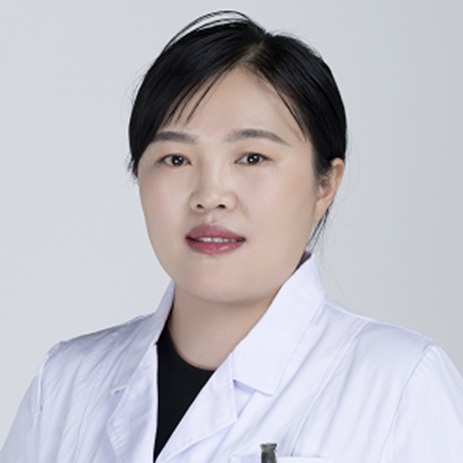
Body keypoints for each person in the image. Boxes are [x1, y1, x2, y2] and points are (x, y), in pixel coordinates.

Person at [1, 10, 463, 463]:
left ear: (325, 184)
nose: (210, 196)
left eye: (252, 158)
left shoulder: (401, 386)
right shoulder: (64, 385)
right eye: (176, 159)